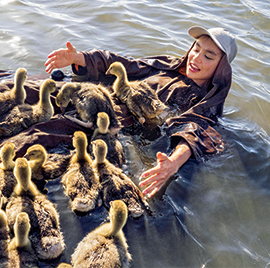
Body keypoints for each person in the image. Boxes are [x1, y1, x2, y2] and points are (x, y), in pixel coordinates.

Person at [45, 26, 238, 198]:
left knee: (44, 132)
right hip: (93, 95)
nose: (196, 57)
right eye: (196, 48)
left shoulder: (205, 102)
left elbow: (196, 130)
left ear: (221, 68)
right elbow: (127, 65)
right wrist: (80, 58)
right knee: (36, 91)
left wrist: (173, 162)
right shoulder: (167, 66)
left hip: (111, 119)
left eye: (208, 56)